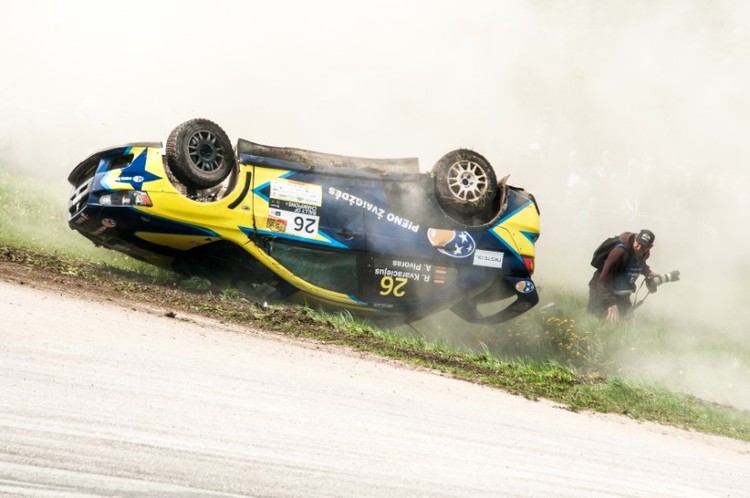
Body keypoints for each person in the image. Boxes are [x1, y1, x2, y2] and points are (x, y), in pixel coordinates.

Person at [587, 229, 657, 321]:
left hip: (621, 291)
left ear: (650, 247)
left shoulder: (644, 253)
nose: (639, 247)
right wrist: (611, 304)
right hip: (601, 287)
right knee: (595, 318)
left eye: (644, 246)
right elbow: (604, 279)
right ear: (635, 238)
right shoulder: (619, 252)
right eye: (638, 243)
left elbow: (639, 264)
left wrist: (648, 272)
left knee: (627, 321)